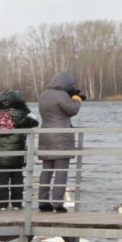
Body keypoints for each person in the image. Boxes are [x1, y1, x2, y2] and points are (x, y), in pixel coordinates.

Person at [37, 70, 84, 212]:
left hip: (45, 137)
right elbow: (72, 110)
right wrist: (76, 99)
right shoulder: (62, 95)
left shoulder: (44, 95)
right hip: (61, 139)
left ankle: (43, 201)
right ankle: (57, 203)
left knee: (46, 171)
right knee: (61, 172)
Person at [0, 89, 39, 208]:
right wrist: (26, 108)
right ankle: (16, 204)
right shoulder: (21, 114)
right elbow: (35, 121)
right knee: (17, 180)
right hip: (16, 153)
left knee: (1, 180)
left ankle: (2, 205)